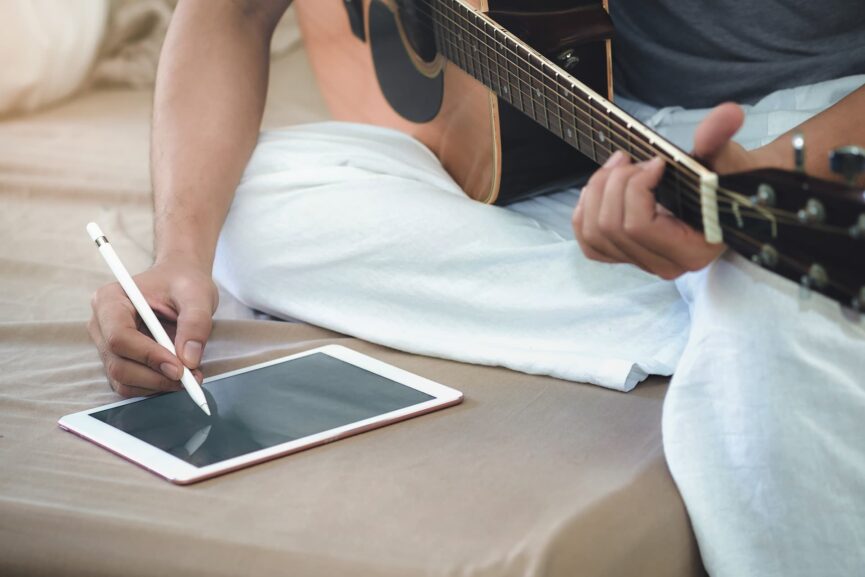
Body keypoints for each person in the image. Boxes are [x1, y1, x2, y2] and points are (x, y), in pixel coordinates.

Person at [87, 1, 865, 575]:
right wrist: (178, 253)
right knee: (250, 207)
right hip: (571, 126)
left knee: (764, 298)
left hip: (810, 131)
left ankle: (752, 285)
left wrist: (770, 175)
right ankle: (723, 300)